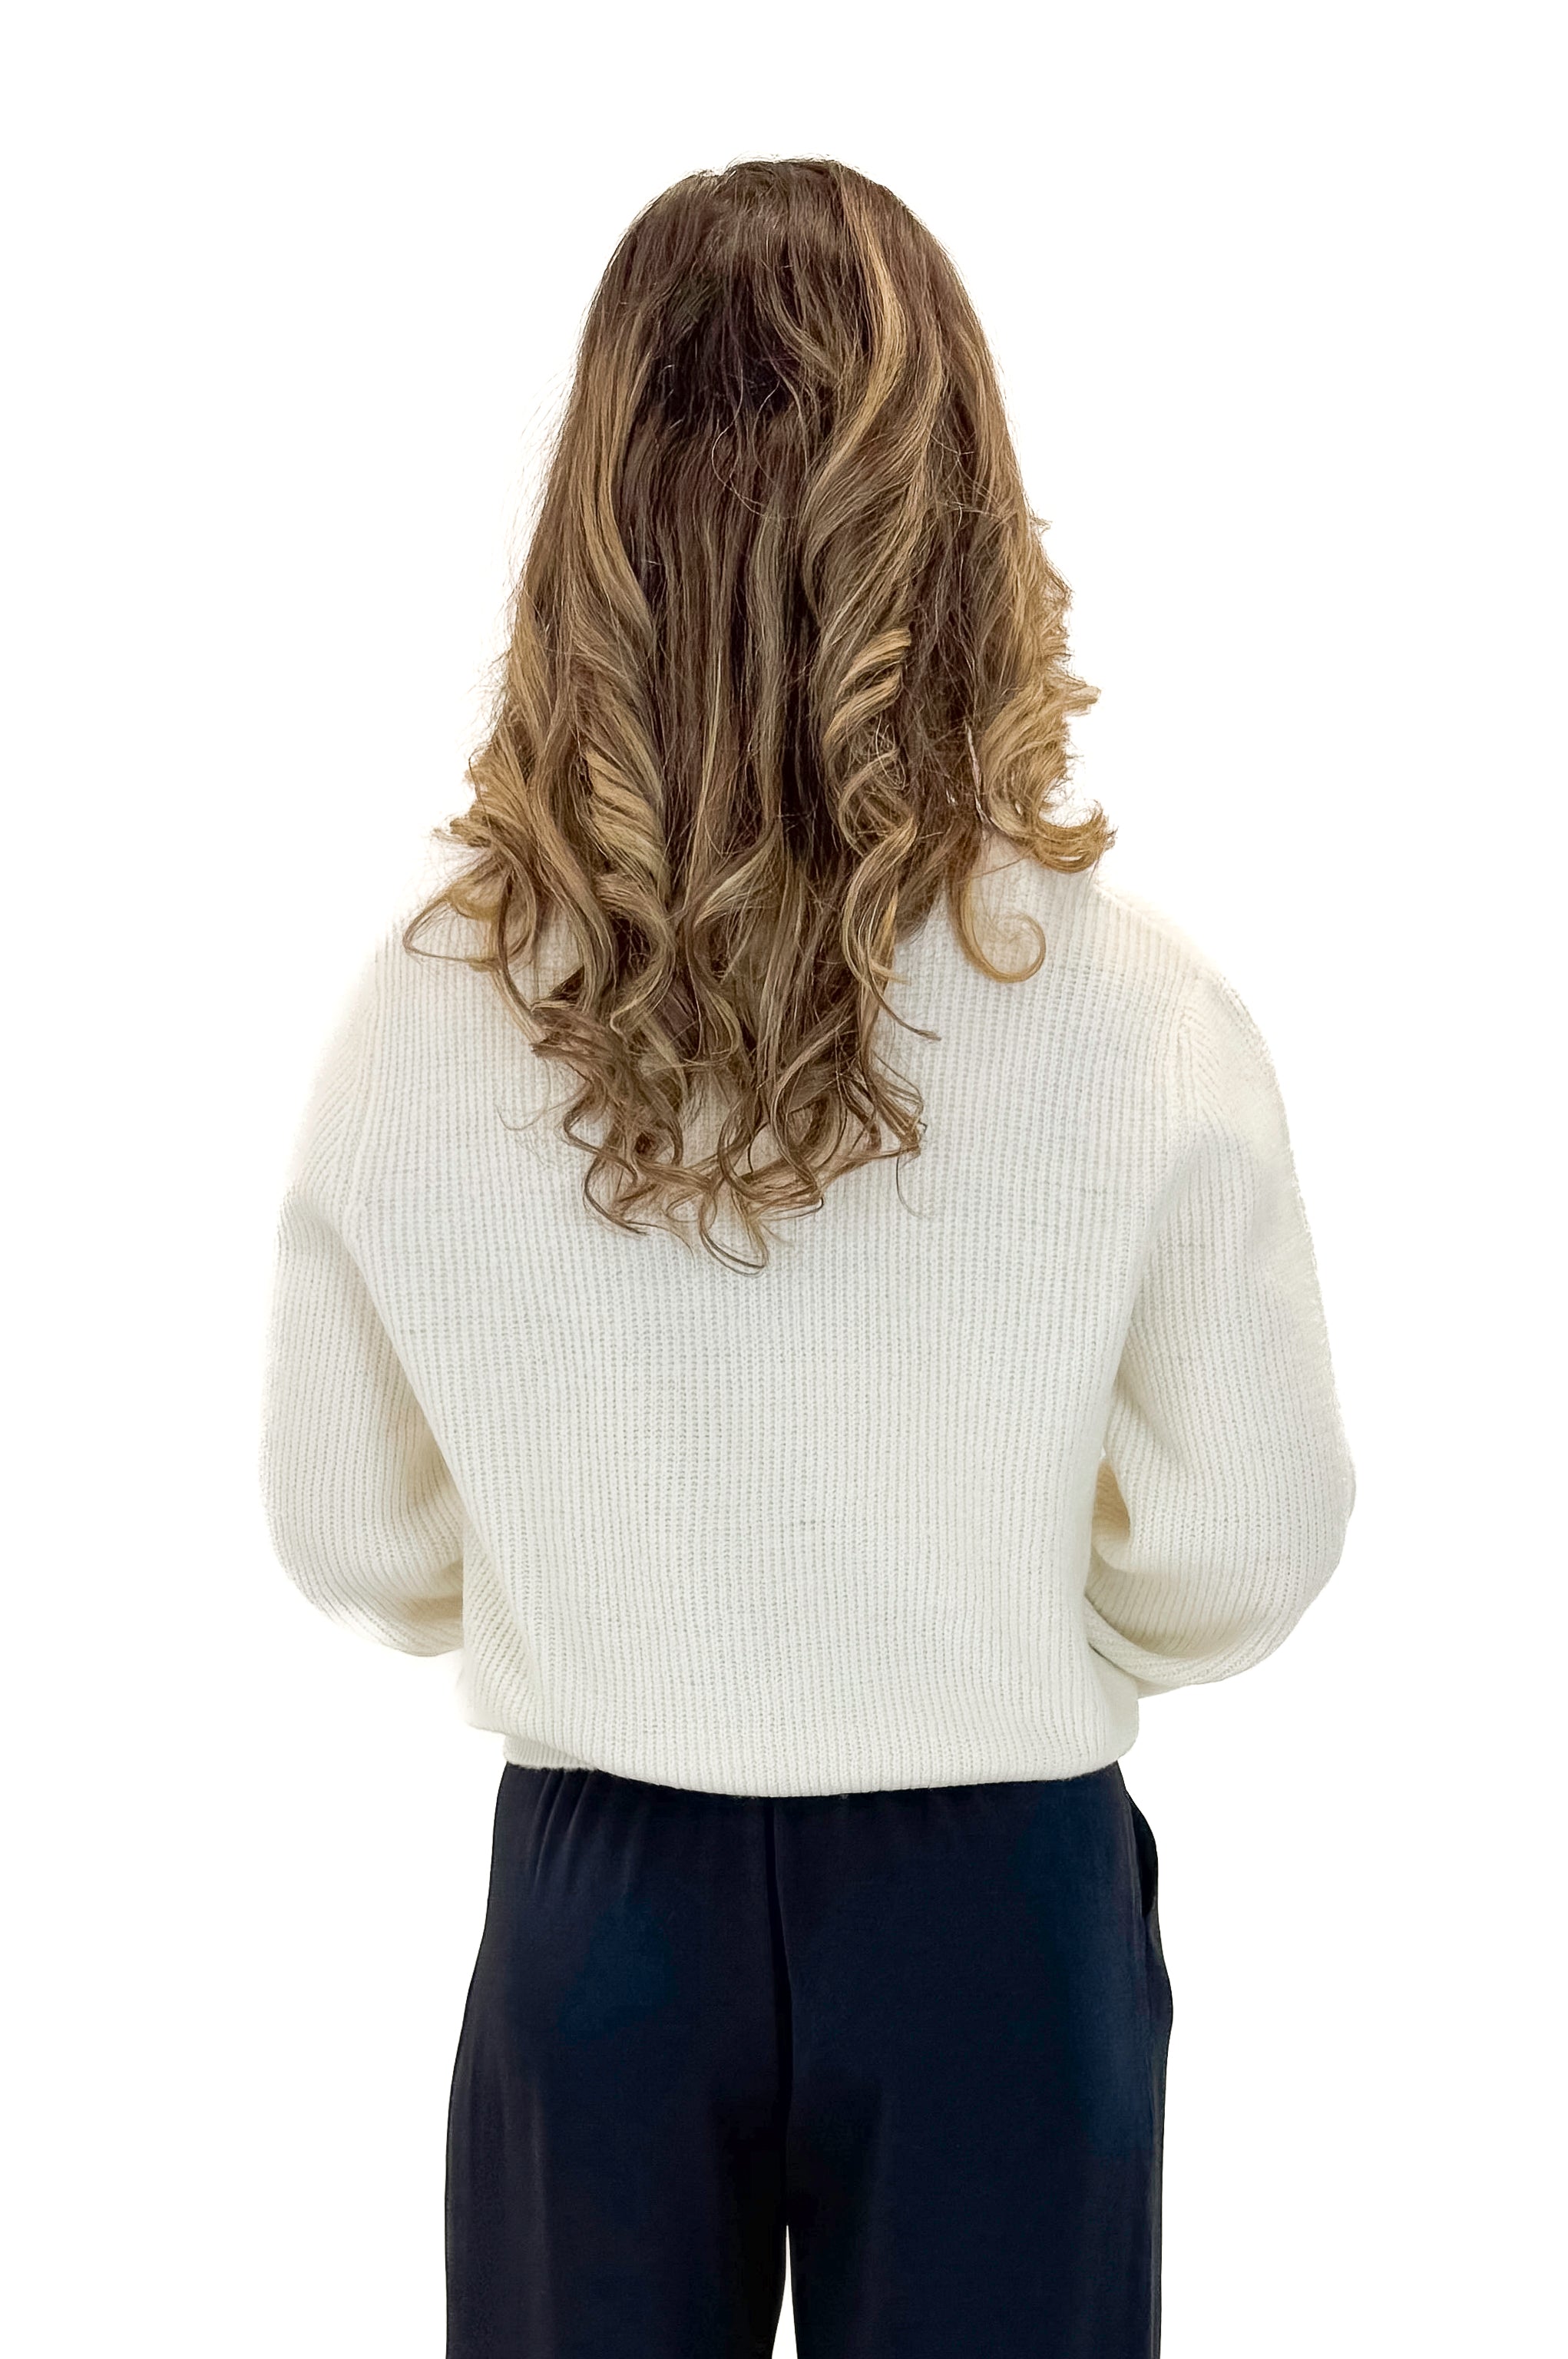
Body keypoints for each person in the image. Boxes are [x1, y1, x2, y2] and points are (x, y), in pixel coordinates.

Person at [259, 156, 1355, 2359]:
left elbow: (347, 1527)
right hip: (994, 1892)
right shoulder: (1132, 1017)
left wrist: (624, 1582)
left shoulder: (423, 1013)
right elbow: (1249, 1537)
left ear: (593, 515)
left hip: (600, 1903)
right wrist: (963, 1608)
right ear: (960, 506)